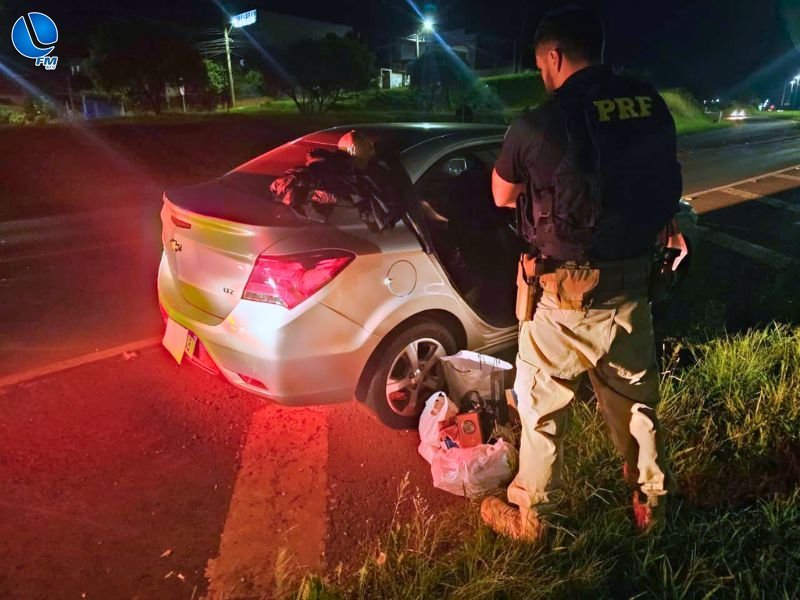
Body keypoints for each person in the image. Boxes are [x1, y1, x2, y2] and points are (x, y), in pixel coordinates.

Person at [482, 6, 684, 541]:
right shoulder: (648, 105)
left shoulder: (538, 122)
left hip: (560, 300)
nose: (542, 74)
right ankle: (650, 506)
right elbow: (659, 182)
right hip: (631, 291)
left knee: (542, 411)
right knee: (636, 405)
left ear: (554, 56)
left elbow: (502, 196)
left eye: (541, 63)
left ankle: (533, 517)